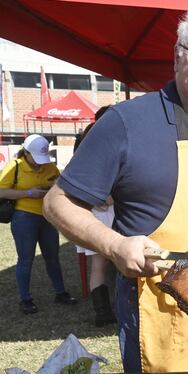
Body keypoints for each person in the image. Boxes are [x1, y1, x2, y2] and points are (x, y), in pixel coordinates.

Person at [43, 9, 188, 373]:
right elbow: (57, 202)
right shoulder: (127, 123)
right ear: (177, 55)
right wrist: (115, 245)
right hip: (167, 326)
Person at [0, 135, 78, 314]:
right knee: (25, 259)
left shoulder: (50, 167)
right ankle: (25, 299)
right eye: (35, 158)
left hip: (48, 217)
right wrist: (28, 193)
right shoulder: (15, 166)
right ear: (26, 153)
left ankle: (61, 293)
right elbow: (1, 191)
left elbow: (61, 186)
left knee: (53, 257)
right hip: (24, 217)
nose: (39, 164)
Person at [74, 105, 118, 327]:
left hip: (90, 212)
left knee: (99, 267)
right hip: (106, 211)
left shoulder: (83, 142)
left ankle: (103, 312)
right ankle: (113, 309)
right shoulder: (106, 142)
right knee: (118, 263)